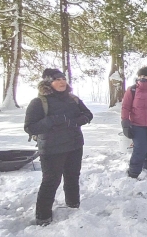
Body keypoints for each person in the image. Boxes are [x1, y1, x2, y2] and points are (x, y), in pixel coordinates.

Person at [24, 68, 94, 226]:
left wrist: (80, 120)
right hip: (51, 149)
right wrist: (52, 120)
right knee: (51, 181)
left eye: (63, 78)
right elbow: (30, 127)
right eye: (57, 79)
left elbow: (88, 114)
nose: (62, 82)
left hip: (75, 145)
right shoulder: (39, 102)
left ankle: (73, 206)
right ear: (48, 83)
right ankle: (43, 217)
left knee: (72, 177)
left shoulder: (73, 99)